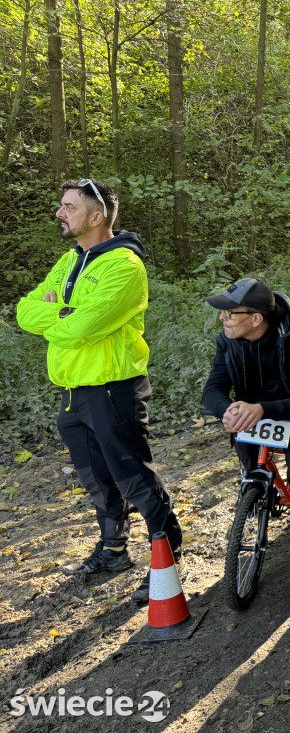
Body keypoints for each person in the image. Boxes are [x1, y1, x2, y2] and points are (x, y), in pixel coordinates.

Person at [16, 179, 183, 604]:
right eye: (61, 206)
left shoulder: (124, 266)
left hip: (111, 388)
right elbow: (25, 310)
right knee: (97, 480)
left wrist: (58, 316)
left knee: (133, 477)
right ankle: (112, 550)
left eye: (69, 207)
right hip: (73, 391)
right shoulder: (70, 260)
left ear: (96, 216)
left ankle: (167, 553)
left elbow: (84, 327)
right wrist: (64, 313)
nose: (60, 213)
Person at [202, 278, 290, 600]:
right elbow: (212, 389)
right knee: (248, 454)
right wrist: (226, 410)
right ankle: (258, 494)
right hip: (257, 410)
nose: (222, 318)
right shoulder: (227, 339)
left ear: (256, 319)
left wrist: (262, 409)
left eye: (229, 312)